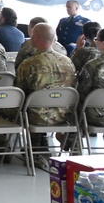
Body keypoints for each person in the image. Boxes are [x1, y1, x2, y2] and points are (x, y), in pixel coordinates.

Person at [12, 23, 76, 170]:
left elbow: (19, 92)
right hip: (64, 115)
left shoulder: (29, 64)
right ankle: (41, 146)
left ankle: (7, 150)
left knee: (6, 108)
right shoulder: (68, 62)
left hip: (36, 116)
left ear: (35, 38)